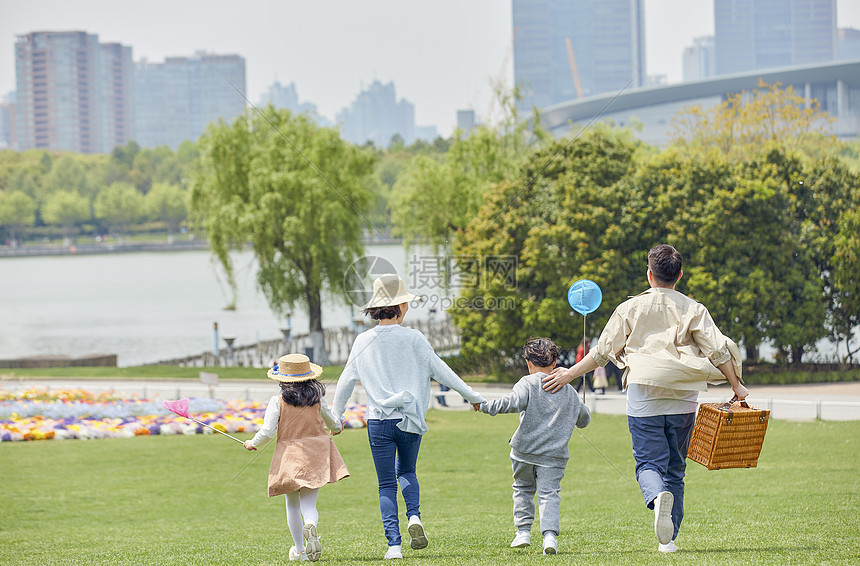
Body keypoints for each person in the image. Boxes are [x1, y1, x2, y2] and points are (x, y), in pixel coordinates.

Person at [542, 244, 748, 553]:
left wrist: (568, 374)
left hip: (643, 394)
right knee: (676, 468)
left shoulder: (630, 308)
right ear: (679, 275)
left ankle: (655, 497)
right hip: (683, 398)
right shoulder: (694, 308)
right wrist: (737, 386)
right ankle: (670, 539)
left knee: (649, 463)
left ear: (649, 274)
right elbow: (718, 350)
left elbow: (602, 352)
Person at [331, 273, 485, 560]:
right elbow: (443, 372)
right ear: (400, 306)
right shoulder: (415, 338)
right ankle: (414, 516)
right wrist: (473, 397)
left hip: (378, 421)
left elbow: (344, 383)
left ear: (375, 308)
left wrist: (336, 417)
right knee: (408, 472)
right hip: (410, 420)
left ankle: (394, 546)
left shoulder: (362, 340)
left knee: (386, 483)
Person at [475, 337, 590, 555]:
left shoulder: (526, 383)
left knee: (522, 489)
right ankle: (549, 538)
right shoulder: (569, 390)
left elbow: (510, 403)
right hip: (554, 457)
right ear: (555, 362)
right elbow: (584, 421)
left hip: (523, 453)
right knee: (549, 494)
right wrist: (577, 402)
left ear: (528, 363)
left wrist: (484, 406)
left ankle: (523, 532)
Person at [244, 353, 349, 562]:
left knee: (292, 504)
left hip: (290, 455)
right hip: (317, 453)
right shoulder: (317, 400)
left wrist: (252, 443)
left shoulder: (278, 401)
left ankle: (300, 549)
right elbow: (333, 423)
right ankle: (311, 524)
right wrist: (337, 428)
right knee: (309, 504)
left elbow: (267, 431)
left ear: (282, 380)